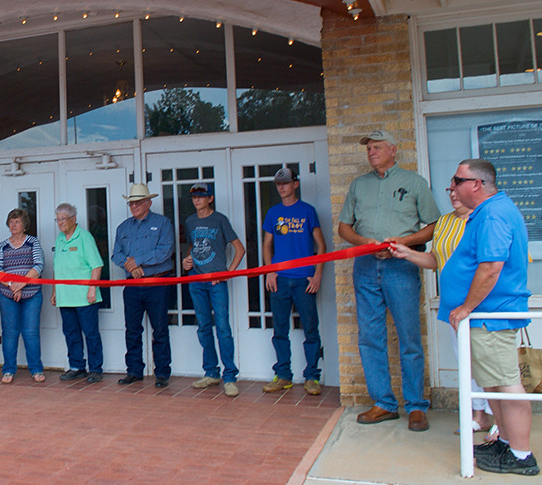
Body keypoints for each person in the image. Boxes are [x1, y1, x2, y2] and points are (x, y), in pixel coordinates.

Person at [394, 159, 536, 475]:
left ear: (476, 184)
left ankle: (521, 455)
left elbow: (491, 267)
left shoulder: (494, 214)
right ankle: (506, 444)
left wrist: (467, 307)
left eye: (457, 180)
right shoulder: (483, 213)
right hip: (483, 317)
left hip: (490, 316)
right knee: (492, 386)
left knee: (506, 385)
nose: (452, 187)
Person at [338, 129, 440, 431]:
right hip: (366, 266)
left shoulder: (414, 183)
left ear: (393, 150)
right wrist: (365, 242)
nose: (371, 152)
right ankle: (383, 403)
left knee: (409, 337)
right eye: (369, 148)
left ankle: (416, 406)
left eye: (377, 147)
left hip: (401, 266)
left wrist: (403, 244)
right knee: (370, 337)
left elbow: (434, 225)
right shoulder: (359, 185)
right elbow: (344, 227)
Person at [391, 185, 496, 434]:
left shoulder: (486, 218)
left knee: (490, 364)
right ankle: (479, 415)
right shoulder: (445, 222)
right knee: (467, 363)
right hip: (455, 307)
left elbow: (493, 264)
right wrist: (407, 253)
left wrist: (470, 305)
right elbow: (435, 260)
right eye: (450, 189)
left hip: (484, 305)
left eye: (458, 188)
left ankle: (501, 422)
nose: (453, 193)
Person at [261, 169, 325, 396]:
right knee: (279, 329)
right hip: (280, 279)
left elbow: (321, 245)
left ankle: (312, 376)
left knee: (310, 328)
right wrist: (270, 271)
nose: (281, 187)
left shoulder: (308, 211)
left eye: (286, 183)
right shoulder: (273, 212)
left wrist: (317, 275)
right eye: (279, 183)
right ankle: (283, 375)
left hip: (303, 280)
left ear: (295, 184)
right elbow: (266, 245)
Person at [183, 182, 246, 397]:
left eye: (201, 196)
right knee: (203, 327)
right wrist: (186, 261)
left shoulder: (220, 220)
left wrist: (228, 272)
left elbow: (239, 249)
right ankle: (211, 372)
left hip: (216, 282)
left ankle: (230, 376)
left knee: (223, 327)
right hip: (196, 279)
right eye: (194, 197)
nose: (197, 200)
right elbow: (192, 247)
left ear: (210, 198)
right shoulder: (190, 221)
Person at [112, 184, 174, 388]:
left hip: (157, 283)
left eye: (138, 202)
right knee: (132, 329)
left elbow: (165, 251)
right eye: (131, 203)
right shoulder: (123, 227)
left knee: (160, 328)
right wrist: (131, 266)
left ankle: (162, 373)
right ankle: (134, 371)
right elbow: (116, 254)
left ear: (149, 202)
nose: (133, 206)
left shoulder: (162, 223)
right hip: (132, 284)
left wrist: (137, 261)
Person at [52, 203, 104, 383]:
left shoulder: (85, 237)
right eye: (58, 219)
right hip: (65, 296)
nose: (60, 222)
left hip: (84, 297)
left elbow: (97, 265)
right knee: (71, 333)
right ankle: (76, 367)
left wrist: (92, 288)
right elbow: (57, 267)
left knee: (91, 333)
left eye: (63, 219)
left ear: (74, 219)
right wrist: (55, 291)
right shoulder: (60, 239)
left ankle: (95, 369)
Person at [0, 208, 46, 384]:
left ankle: (36, 369)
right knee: (9, 333)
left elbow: (39, 265)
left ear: (25, 225)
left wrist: (21, 284)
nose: (13, 224)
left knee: (31, 332)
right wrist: (12, 285)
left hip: (31, 294)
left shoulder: (33, 242)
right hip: (7, 295)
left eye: (17, 221)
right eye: (11, 221)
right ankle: (8, 370)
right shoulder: (2, 246)